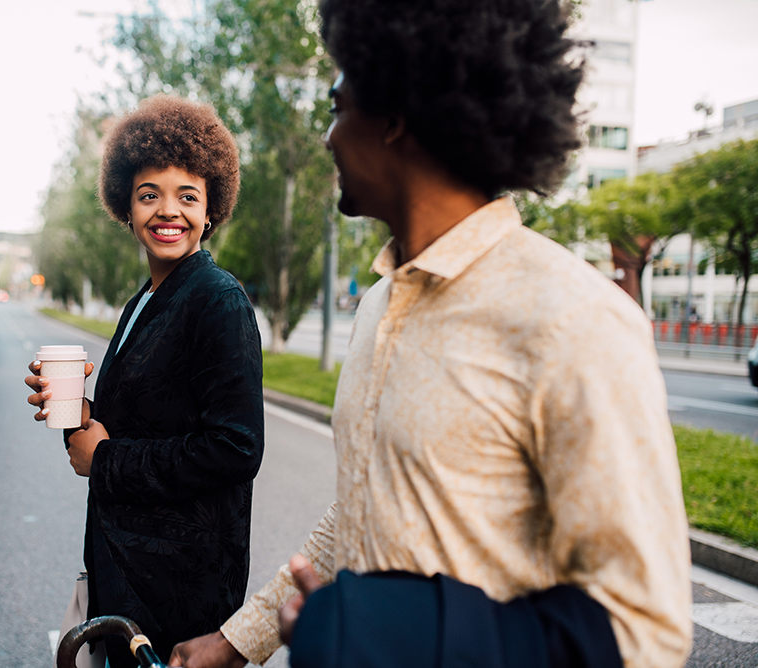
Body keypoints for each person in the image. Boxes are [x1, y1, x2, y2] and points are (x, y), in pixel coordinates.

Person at [169, 0, 692, 667]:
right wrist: (241, 640)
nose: (328, 136)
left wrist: (394, 635)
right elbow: (358, 516)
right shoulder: (380, 304)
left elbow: (645, 630)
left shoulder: (574, 319)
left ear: (394, 114)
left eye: (337, 107)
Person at [24, 95, 264, 668]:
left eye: (188, 196)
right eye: (149, 195)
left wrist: (104, 460)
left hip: (181, 595)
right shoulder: (144, 301)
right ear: (126, 208)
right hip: (129, 579)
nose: (168, 211)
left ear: (211, 211)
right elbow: (140, 421)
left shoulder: (217, 299)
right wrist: (79, 413)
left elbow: (235, 449)